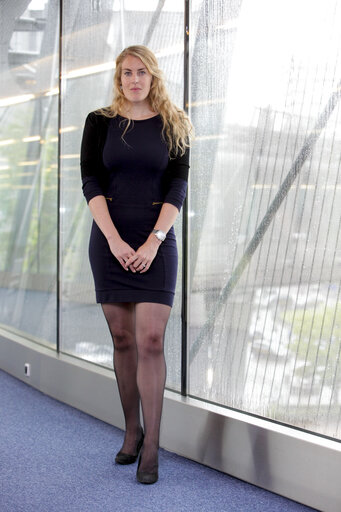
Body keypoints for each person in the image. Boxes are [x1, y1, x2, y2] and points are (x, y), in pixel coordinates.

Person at [80, 45, 192, 485]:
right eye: (127, 72)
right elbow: (90, 179)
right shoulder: (99, 122)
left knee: (150, 339)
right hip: (109, 238)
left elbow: (178, 186)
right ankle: (131, 432)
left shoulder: (175, 123)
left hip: (156, 239)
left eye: (141, 72)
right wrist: (113, 239)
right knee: (123, 338)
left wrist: (152, 242)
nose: (134, 79)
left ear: (153, 76)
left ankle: (152, 447)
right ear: (118, 77)